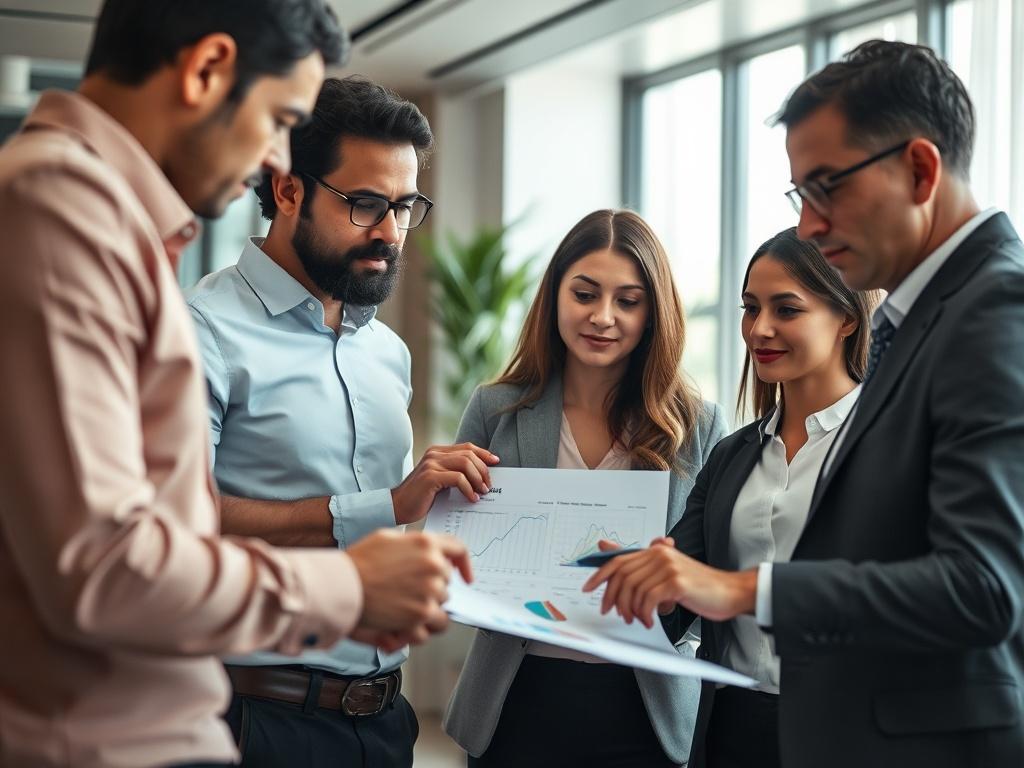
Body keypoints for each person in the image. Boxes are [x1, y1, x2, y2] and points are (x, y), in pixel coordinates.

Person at [0, 4, 471, 767]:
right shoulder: (60, 209)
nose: (273, 157)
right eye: (279, 116)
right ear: (207, 68)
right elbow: (105, 566)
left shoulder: (111, 229)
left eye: (402, 208)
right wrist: (347, 588)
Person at [587, 40, 1024, 768]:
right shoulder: (927, 320)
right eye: (801, 196)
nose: (812, 225)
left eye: (827, 188)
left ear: (920, 169)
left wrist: (739, 587)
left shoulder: (994, 309)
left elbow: (983, 588)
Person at [186, 75, 496, 768]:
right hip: (249, 719)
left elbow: (394, 531)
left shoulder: (387, 352)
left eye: (405, 205)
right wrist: (381, 506)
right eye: (364, 204)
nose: (390, 231)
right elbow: (179, 521)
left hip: (386, 720)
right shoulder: (199, 333)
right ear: (289, 188)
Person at [443, 209, 729, 767]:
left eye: (628, 300)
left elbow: (711, 574)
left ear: (653, 313)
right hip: (515, 697)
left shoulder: (697, 425)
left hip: (644, 707)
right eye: (585, 294)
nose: (603, 317)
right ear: (555, 298)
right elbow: (453, 555)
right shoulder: (496, 409)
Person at [583, 227, 874, 768]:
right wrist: (650, 583)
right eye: (750, 308)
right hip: (732, 727)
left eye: (786, 309)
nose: (759, 329)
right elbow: (679, 603)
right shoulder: (733, 455)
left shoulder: (892, 445)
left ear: (847, 318)